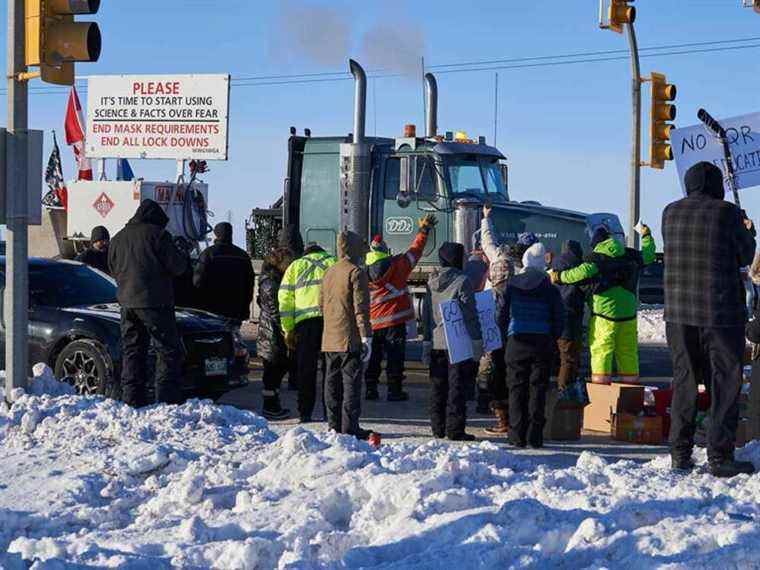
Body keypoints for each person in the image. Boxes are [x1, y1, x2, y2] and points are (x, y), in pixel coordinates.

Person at [662, 161, 756, 477]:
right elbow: (744, 257)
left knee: (686, 380)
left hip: (678, 313)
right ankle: (719, 455)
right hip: (720, 312)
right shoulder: (728, 213)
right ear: (718, 186)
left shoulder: (669, 213)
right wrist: (749, 232)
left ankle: (680, 453)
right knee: (725, 381)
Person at [551, 225, 655, 384]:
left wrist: (558, 276)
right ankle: (630, 394)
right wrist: (646, 235)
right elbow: (649, 255)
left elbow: (578, 274)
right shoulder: (630, 255)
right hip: (628, 316)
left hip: (604, 317)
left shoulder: (596, 258)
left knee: (601, 352)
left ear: (597, 243)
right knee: (628, 353)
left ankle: (601, 393)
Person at [108, 199, 188, 407]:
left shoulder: (118, 238)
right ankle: (167, 400)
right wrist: (181, 251)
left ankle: (132, 399)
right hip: (155, 302)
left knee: (133, 350)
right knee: (168, 350)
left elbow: (112, 267)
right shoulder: (159, 236)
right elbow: (178, 267)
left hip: (126, 303)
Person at [364, 214, 437, 401]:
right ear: (385, 250)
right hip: (395, 321)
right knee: (395, 357)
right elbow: (416, 250)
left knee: (374, 356)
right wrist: (423, 230)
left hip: (373, 322)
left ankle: (371, 389)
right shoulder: (398, 265)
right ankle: (394, 391)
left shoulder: (362, 269)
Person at [500, 242, 565, 448]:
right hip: (542, 342)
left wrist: (504, 336)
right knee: (538, 388)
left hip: (517, 339)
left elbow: (501, 313)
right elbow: (559, 318)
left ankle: (516, 435)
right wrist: (552, 337)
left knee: (516, 387)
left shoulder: (511, 284)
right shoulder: (550, 288)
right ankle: (535, 436)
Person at [423, 242, 483, 441]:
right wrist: (477, 341)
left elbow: (426, 314)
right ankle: (455, 429)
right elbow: (470, 314)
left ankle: (437, 427)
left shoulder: (431, 281)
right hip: (457, 341)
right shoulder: (463, 281)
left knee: (437, 385)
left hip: (436, 341)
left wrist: (427, 340)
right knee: (456, 387)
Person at [320, 230, 374, 439]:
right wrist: (365, 336)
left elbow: (321, 303)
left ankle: (333, 426)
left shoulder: (329, 272)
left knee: (331, 385)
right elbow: (360, 308)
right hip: (348, 339)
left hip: (329, 338)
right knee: (351, 385)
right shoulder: (356, 272)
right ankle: (350, 427)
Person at [279, 240, 336, 423]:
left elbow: (285, 300)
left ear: (306, 252)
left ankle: (305, 413)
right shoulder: (333, 262)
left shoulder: (295, 266)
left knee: (306, 370)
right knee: (331, 369)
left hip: (304, 325)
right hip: (330, 322)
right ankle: (331, 413)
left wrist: (287, 329)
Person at [479, 205, 515, 433]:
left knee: (488, 368)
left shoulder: (494, 262)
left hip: (493, 332)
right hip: (511, 336)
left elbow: (487, 240)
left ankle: (486, 403)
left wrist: (485, 219)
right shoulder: (518, 275)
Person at [256, 246, 294, 420]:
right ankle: (270, 407)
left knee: (277, 368)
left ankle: (273, 404)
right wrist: (285, 329)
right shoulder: (271, 282)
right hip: (271, 334)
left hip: (270, 332)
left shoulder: (271, 280)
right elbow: (275, 311)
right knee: (272, 371)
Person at [193, 222, 256, 324]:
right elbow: (250, 283)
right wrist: (245, 307)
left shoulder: (208, 254)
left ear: (216, 234)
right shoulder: (242, 255)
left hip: (212, 308)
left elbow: (197, 282)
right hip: (236, 308)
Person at [551, 240, 587, 390]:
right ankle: (564, 393)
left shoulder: (555, 265)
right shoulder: (579, 266)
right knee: (569, 359)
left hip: (556, 317)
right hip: (571, 317)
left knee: (562, 357)